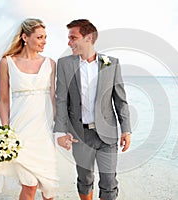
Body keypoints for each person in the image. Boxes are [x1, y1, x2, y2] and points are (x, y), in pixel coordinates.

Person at [54, 19, 131, 200]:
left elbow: (120, 100)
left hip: (108, 134)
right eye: (69, 38)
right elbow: (61, 100)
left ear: (88, 38)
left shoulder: (111, 63)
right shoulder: (64, 64)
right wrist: (61, 131)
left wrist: (126, 129)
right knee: (84, 179)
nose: (69, 42)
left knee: (109, 182)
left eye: (73, 37)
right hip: (79, 135)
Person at [0, 18, 59, 200]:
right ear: (25, 37)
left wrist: (63, 127)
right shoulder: (7, 63)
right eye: (39, 37)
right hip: (21, 133)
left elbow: (53, 98)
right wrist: (5, 131)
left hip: (44, 134)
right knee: (29, 186)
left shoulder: (50, 64)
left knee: (49, 190)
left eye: (45, 37)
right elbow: (4, 101)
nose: (44, 41)